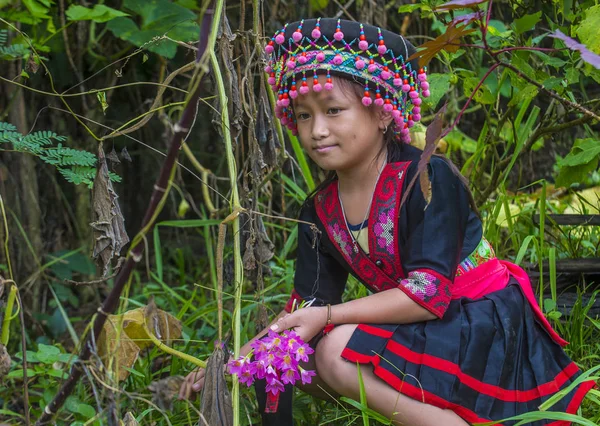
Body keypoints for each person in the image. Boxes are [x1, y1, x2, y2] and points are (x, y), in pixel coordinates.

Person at [179, 18, 595, 425]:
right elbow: (306, 307)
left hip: (479, 323)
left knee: (334, 347)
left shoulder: (429, 177)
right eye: (304, 115)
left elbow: (427, 294)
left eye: (333, 110)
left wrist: (327, 319)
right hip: (422, 324)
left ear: (382, 113)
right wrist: (234, 360)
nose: (317, 130)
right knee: (296, 354)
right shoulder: (319, 210)